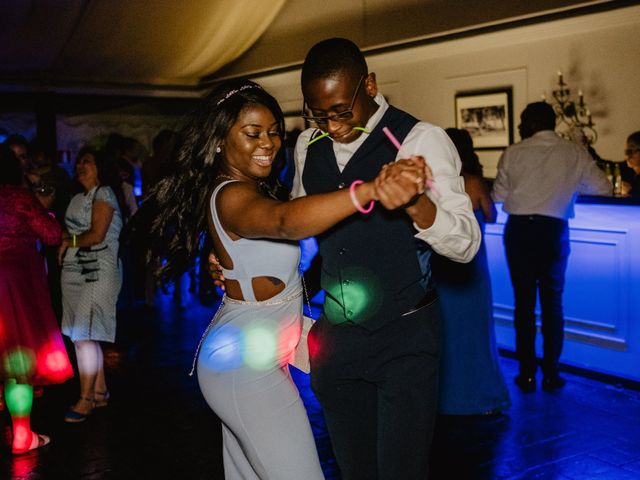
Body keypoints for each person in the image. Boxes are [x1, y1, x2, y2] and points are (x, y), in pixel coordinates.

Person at [138, 78, 426, 479]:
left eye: (273, 132)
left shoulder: (250, 189)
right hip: (244, 366)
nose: (268, 143)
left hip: (258, 351)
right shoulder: (231, 194)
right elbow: (285, 222)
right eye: (253, 133)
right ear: (220, 140)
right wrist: (371, 189)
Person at [292, 38, 480, 479]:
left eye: (341, 110)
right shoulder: (306, 146)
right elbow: (299, 228)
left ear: (370, 85)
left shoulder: (420, 138)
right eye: (319, 114)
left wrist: (418, 203)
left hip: (406, 336)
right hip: (337, 340)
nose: (332, 126)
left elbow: (466, 243)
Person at [492, 102, 611, 393]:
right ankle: (552, 373)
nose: (519, 127)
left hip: (519, 231)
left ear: (532, 124)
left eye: (522, 122)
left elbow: (497, 195)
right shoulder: (573, 151)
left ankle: (527, 373)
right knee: (552, 303)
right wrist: (566, 188)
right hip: (553, 232)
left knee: (523, 303)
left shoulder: (514, 152)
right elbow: (603, 189)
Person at [0, 145, 73, 454]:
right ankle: (21, 434)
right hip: (13, 287)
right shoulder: (18, 197)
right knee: (18, 363)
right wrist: (45, 206)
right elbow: (52, 234)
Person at [433, 128, 510, 415]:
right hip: (473, 267)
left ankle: (446, 399)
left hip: (442, 267)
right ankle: (481, 397)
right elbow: (491, 215)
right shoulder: (474, 182)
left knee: (447, 334)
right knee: (477, 335)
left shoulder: (434, 184)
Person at [59, 147, 125, 422]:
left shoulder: (105, 193)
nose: (80, 165)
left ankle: (85, 399)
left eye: (87, 161)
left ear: (100, 167)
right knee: (82, 334)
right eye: (79, 161)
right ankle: (99, 392)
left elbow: (97, 235)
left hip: (99, 271)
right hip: (73, 272)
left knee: (84, 335)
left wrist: (68, 241)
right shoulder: (76, 198)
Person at [621, 131, 640, 196]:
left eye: (632, 151)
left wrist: (630, 191)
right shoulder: (625, 169)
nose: (628, 155)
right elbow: (605, 165)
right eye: (627, 151)